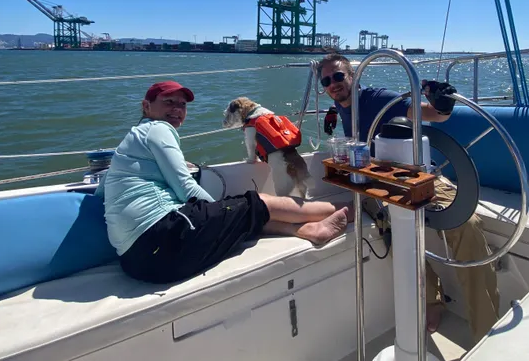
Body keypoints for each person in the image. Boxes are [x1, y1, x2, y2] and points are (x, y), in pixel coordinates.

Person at [317, 53, 500, 343]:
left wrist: (442, 104)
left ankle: (488, 332)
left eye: (338, 76)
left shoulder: (379, 99)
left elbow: (432, 114)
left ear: (353, 75)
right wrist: (331, 115)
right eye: (326, 81)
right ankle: (432, 301)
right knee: (395, 237)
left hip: (416, 175)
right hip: (376, 184)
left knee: (468, 224)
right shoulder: (341, 108)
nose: (333, 84)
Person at [95, 80, 351, 285]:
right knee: (256, 201)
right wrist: (224, 207)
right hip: (163, 243)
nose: (177, 109)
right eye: (168, 102)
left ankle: (303, 230)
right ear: (146, 106)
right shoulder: (159, 129)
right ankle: (349, 207)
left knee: (242, 214)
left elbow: (100, 190)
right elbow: (186, 190)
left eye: (182, 105)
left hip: (136, 261)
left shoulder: (129, 142)